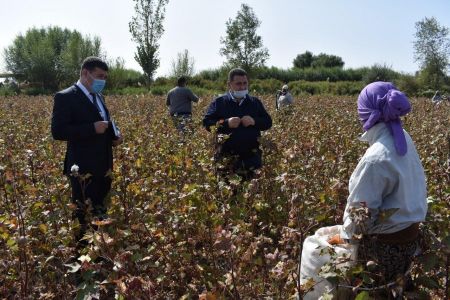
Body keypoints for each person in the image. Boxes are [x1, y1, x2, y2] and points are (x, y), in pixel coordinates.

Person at [300, 82, 427, 296]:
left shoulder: (376, 158)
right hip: (409, 238)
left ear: (365, 113)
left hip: (384, 247)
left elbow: (361, 213)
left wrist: (346, 237)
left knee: (373, 293)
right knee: (397, 288)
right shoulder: (403, 137)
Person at [51, 56, 123, 243]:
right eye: (100, 76)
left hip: (104, 167)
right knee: (83, 215)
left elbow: (104, 125)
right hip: (82, 170)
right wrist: (91, 128)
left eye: (105, 77)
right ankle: (82, 256)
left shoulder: (99, 96)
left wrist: (114, 138)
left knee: (100, 211)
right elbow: (58, 131)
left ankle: (99, 252)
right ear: (85, 73)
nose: (103, 81)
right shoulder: (66, 97)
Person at [203, 68, 272, 179]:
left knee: (252, 193)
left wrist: (254, 121)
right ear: (229, 84)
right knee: (228, 193)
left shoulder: (254, 102)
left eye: (245, 83)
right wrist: (226, 123)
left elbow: (268, 122)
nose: (243, 87)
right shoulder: (219, 102)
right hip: (226, 158)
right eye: (238, 84)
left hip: (252, 158)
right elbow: (207, 123)